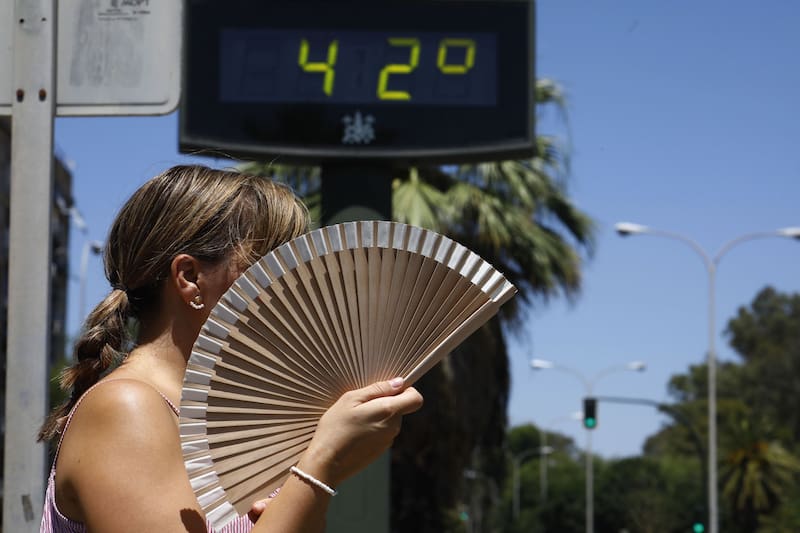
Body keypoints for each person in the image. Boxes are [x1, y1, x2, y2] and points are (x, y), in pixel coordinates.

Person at [38, 164, 424, 532]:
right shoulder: (128, 408)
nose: (297, 289)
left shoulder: (220, 421)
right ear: (189, 278)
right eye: (271, 268)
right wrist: (322, 462)